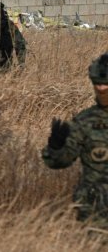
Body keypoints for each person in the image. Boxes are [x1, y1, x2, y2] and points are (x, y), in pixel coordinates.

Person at [43, 53, 108, 232]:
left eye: (106, 84)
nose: (102, 89)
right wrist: (55, 147)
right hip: (95, 211)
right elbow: (61, 161)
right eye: (97, 84)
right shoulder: (84, 121)